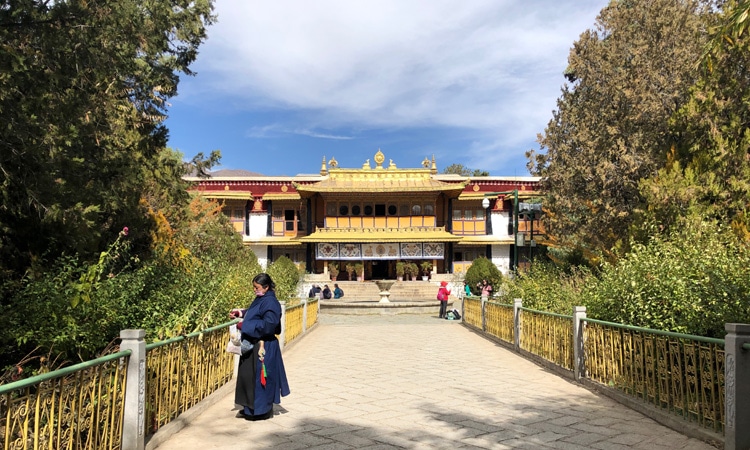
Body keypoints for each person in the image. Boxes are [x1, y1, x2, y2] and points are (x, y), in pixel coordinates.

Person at [229, 273, 290, 421]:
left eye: (257, 287)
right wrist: (240, 313)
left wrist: (244, 325)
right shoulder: (262, 298)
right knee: (248, 378)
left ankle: (261, 411)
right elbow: (254, 312)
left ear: (266, 287)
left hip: (264, 345)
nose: (255, 290)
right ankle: (249, 408)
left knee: (260, 379)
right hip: (252, 343)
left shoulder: (271, 303)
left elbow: (268, 325)